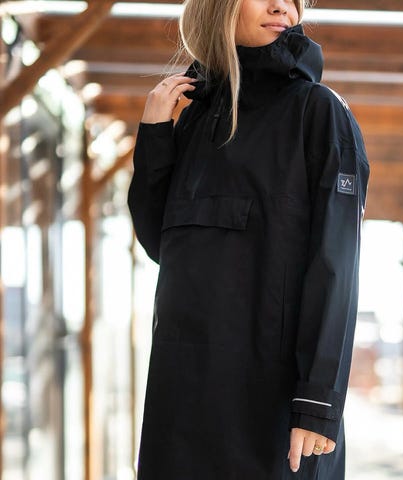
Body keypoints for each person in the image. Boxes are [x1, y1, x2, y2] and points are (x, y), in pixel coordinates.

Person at [127, 0, 369, 478]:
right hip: (180, 403)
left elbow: (336, 267)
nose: (283, 7)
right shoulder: (194, 119)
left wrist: (317, 403)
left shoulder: (318, 112)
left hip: (275, 412)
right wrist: (155, 134)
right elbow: (161, 244)